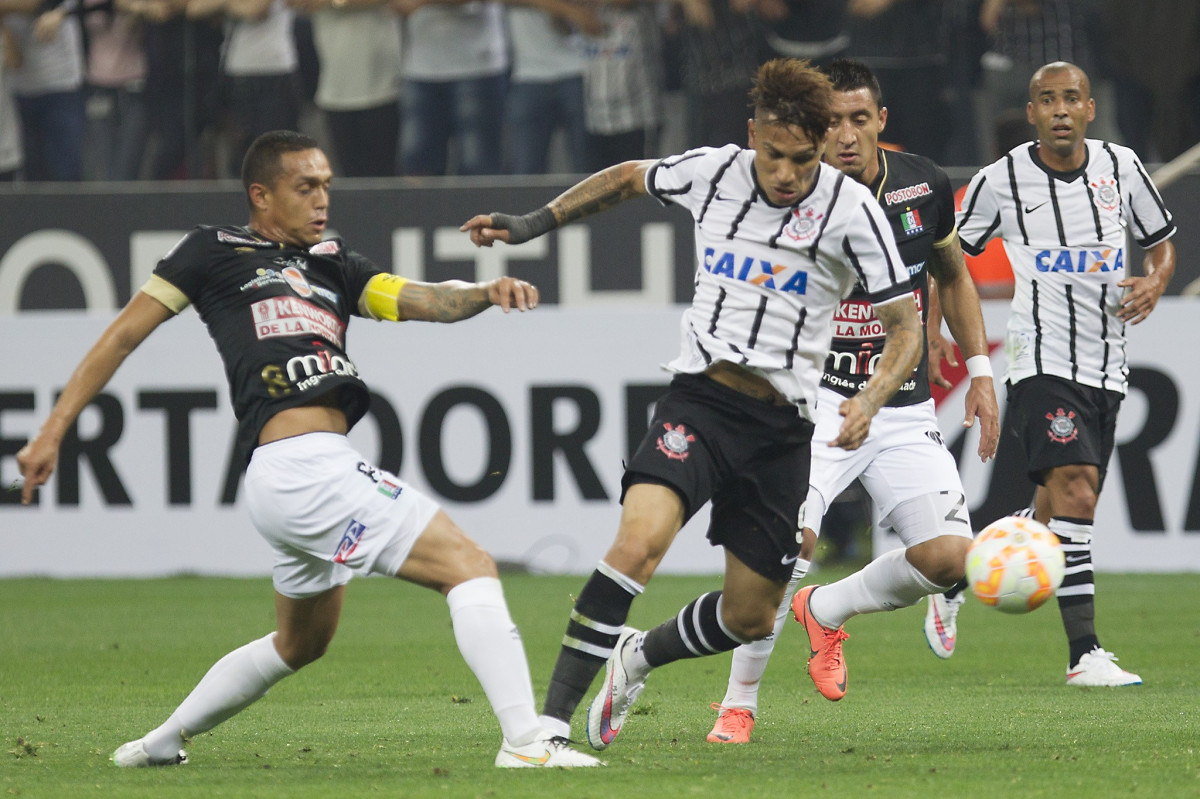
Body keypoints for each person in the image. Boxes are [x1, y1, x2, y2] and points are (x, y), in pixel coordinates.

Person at [15, 130, 600, 768]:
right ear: (260, 195)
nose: (322, 198)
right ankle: (527, 744)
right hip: (302, 469)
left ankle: (158, 742)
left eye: (326, 184)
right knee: (470, 564)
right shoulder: (211, 251)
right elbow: (123, 336)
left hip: (295, 475)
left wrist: (485, 293)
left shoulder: (332, 262)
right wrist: (51, 432)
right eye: (305, 186)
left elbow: (421, 299)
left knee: (301, 643)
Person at [462, 57, 925, 751]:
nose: (786, 173)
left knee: (750, 615)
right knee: (637, 543)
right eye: (773, 155)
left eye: (803, 158)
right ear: (752, 135)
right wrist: (531, 225)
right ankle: (544, 731)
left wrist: (872, 395)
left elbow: (906, 326)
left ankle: (637, 655)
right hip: (701, 401)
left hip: (783, 429)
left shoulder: (852, 210)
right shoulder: (713, 171)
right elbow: (626, 177)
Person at [705, 57, 999, 744]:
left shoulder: (923, 185)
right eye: (830, 121)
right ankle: (738, 704)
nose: (844, 134)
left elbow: (952, 273)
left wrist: (981, 368)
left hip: (899, 409)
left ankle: (827, 609)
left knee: (954, 558)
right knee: (787, 547)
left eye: (858, 119)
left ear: (881, 122)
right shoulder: (786, 197)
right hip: (812, 411)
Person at [957, 62, 1176, 687]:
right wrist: (948, 333)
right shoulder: (998, 180)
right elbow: (952, 256)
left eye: (1070, 98)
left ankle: (963, 569)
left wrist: (1157, 279)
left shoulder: (1122, 166)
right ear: (1030, 113)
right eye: (1046, 99)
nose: (1058, 109)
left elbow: (1161, 242)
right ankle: (1085, 653)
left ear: (1089, 109)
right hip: (1040, 354)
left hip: (1107, 361)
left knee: (1061, 503)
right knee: (1079, 488)